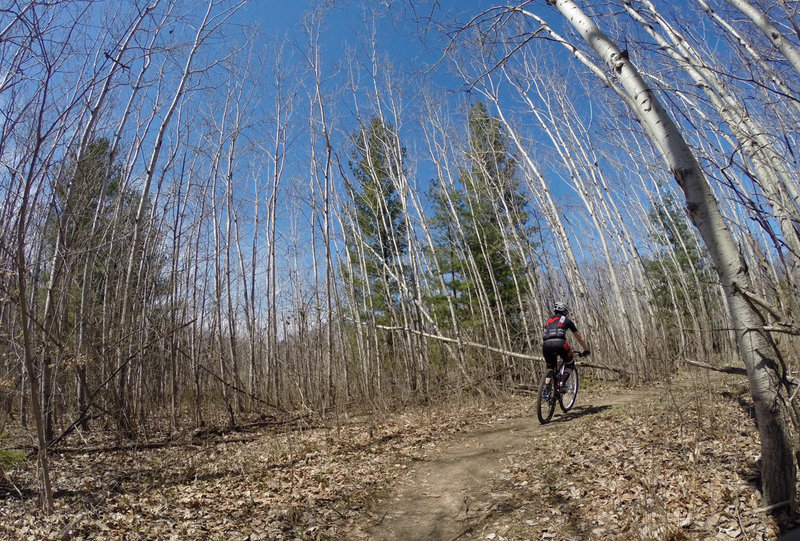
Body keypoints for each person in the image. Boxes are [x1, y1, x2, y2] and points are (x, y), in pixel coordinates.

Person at [542, 301, 590, 387]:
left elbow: (545, 334)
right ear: (564, 312)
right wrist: (586, 349)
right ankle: (562, 382)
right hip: (560, 343)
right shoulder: (566, 320)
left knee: (550, 367)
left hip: (546, 345)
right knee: (570, 362)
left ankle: (547, 391)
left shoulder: (549, 321)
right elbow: (579, 337)